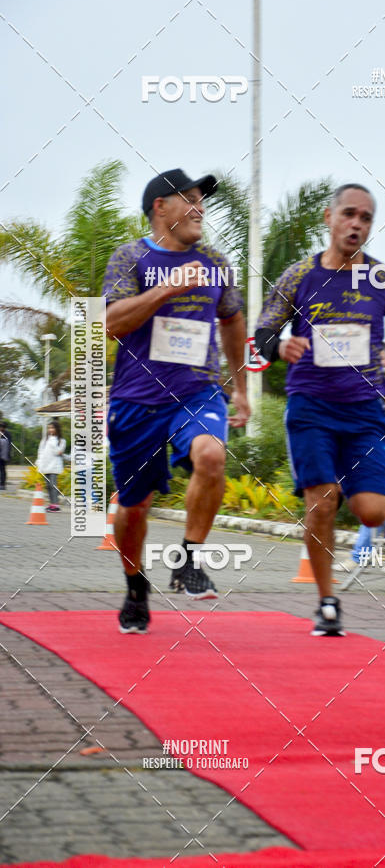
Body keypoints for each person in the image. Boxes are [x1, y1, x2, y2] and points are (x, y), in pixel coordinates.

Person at [254, 183, 385, 636]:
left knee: (372, 510)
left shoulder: (382, 280)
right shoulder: (299, 275)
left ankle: (352, 499)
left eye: (366, 218)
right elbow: (261, 335)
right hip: (311, 406)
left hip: (363, 409)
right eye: (349, 214)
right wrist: (281, 346)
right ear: (329, 219)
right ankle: (327, 600)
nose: (357, 224)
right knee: (322, 502)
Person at [103, 168, 249, 634]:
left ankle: (188, 559)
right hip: (136, 399)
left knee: (211, 455)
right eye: (187, 198)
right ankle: (134, 587)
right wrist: (166, 288)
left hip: (196, 391)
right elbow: (110, 323)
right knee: (134, 507)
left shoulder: (216, 263)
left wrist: (240, 387)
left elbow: (231, 320)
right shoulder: (130, 256)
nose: (199, 206)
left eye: (201, 199)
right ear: (158, 208)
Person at [341, 344, 385, 573]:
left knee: (380, 503)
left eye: (382, 358)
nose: (379, 364)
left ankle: (361, 556)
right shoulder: (368, 383)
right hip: (384, 454)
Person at [36, 419, 66, 511]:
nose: (50, 430)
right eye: (49, 428)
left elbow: (58, 452)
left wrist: (53, 440)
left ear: (57, 429)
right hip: (45, 465)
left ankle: (56, 505)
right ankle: (51, 504)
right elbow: (40, 451)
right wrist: (39, 462)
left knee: (53, 485)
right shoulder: (45, 440)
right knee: (48, 486)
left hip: (54, 466)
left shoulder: (61, 441)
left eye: (52, 428)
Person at [0, 422, 11, 490]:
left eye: (2, 427)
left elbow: (8, 445)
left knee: (2, 470)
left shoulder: (7, 434)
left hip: (3, 456)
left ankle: (2, 484)